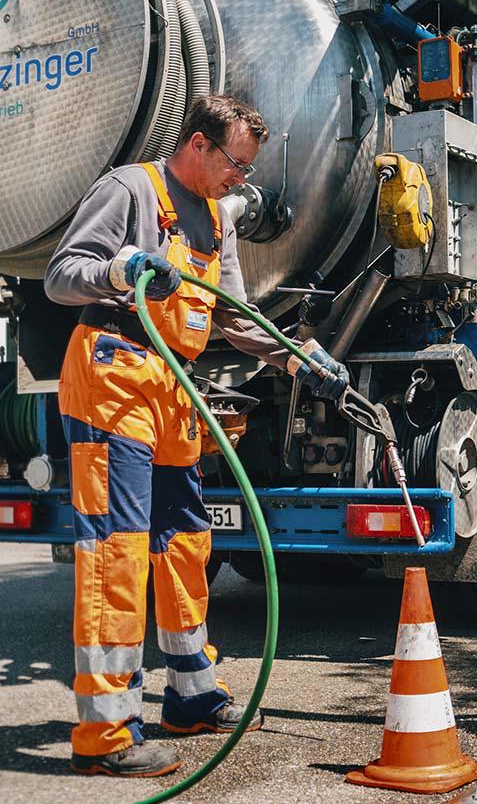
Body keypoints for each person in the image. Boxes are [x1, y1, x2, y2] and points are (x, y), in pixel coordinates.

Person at [45, 95, 349, 777]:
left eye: (246, 169)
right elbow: (63, 277)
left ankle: (190, 691)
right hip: (113, 378)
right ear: (200, 144)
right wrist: (119, 272)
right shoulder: (130, 190)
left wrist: (297, 356)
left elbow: (232, 318)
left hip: (171, 385)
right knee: (115, 549)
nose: (241, 180)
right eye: (235, 164)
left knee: (185, 539)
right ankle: (107, 732)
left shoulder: (214, 218)